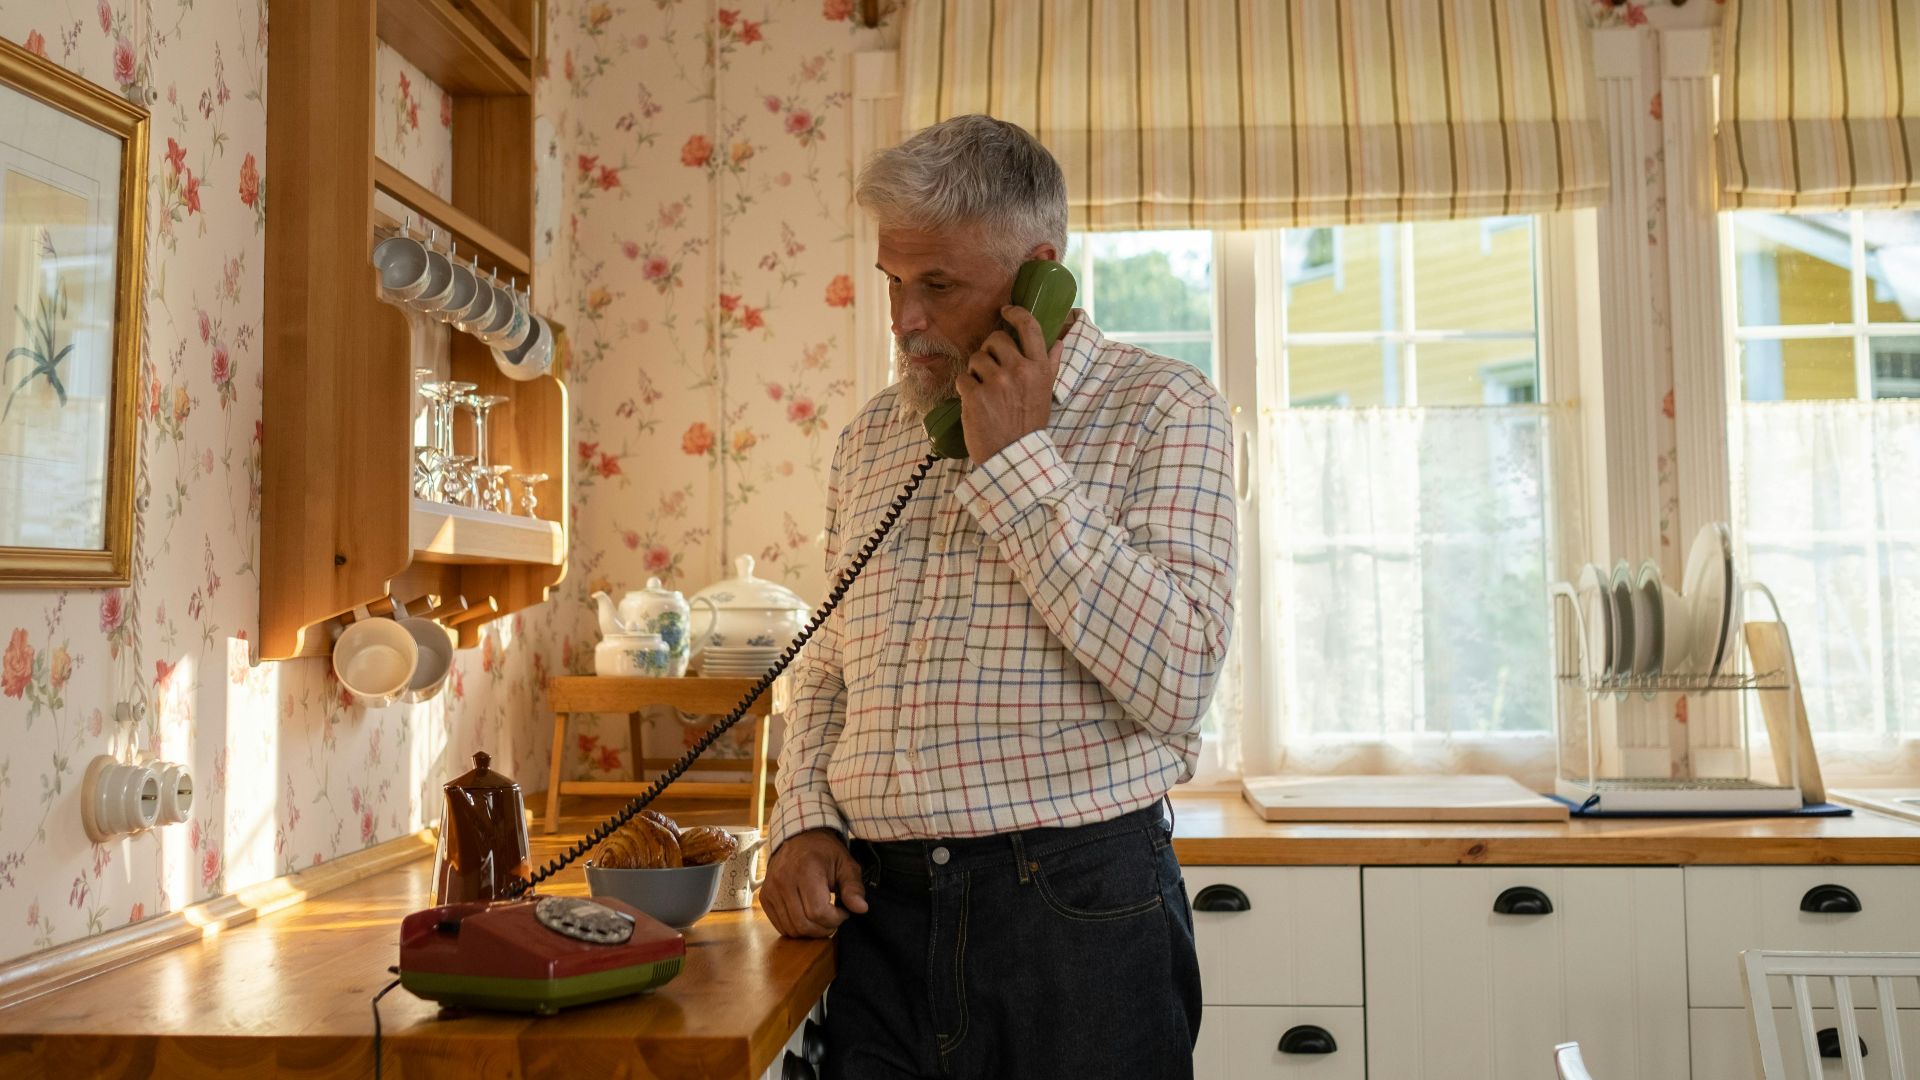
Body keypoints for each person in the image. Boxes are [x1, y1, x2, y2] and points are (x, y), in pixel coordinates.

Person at [761, 114, 1237, 1080]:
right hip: (881, 923)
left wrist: (1019, 460)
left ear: (1039, 275)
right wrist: (803, 815)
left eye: (939, 285)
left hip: (1075, 915)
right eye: (896, 281)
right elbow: (831, 661)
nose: (904, 319)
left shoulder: (1167, 409)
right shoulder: (872, 440)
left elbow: (1180, 675)